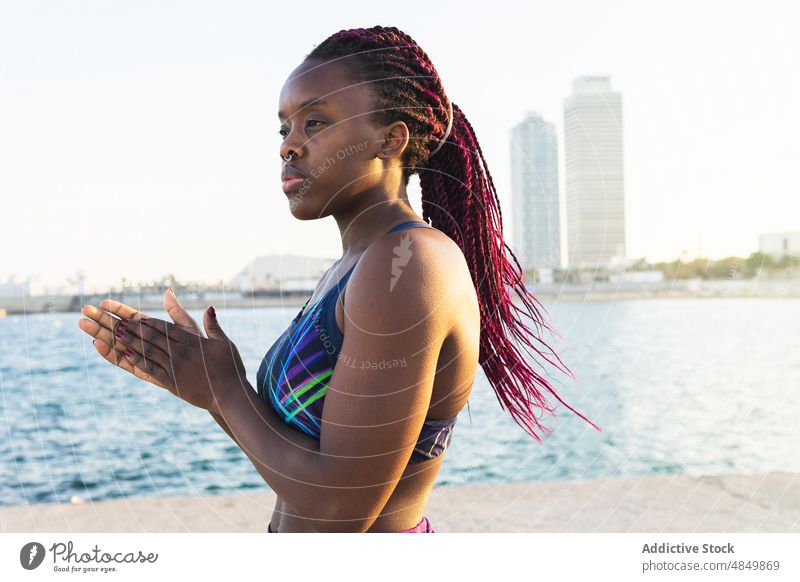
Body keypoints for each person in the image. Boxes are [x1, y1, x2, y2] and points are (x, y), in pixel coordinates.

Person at [78, 25, 601, 533]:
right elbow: (301, 467)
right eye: (284, 127)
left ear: (390, 139)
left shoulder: (408, 262)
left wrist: (225, 390)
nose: (289, 146)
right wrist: (201, 379)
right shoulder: (356, 265)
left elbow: (342, 513)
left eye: (316, 123)